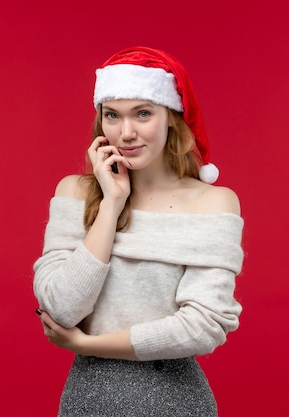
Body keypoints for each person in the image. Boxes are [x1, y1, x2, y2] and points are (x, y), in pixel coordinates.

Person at [33, 46, 244, 416]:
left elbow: (203, 327)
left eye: (143, 114)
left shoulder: (214, 203)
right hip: (88, 402)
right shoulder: (75, 193)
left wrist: (87, 343)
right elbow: (61, 307)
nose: (126, 133)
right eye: (112, 115)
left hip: (176, 404)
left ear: (171, 119)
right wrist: (112, 204)